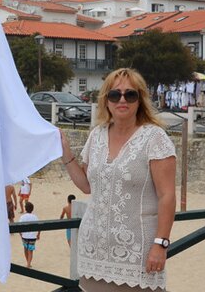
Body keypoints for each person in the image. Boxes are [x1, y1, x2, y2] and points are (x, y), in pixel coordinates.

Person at [60, 68, 176, 292]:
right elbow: (86, 186)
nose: (122, 100)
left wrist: (161, 244)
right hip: (93, 251)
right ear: (106, 100)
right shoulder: (97, 135)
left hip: (137, 254)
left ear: (140, 99)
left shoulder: (155, 138)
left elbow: (167, 196)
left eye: (130, 94)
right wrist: (66, 154)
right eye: (115, 95)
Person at [17, 201, 41, 268]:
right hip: (32, 236)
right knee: (30, 250)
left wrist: (20, 234)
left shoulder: (22, 217)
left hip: (24, 235)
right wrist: (38, 234)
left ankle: (28, 262)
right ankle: (28, 263)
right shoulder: (35, 217)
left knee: (25, 248)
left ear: (25, 208)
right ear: (32, 209)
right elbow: (39, 226)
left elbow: (19, 226)